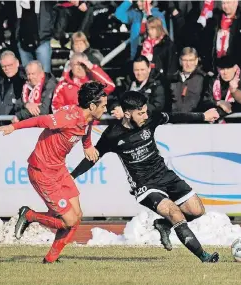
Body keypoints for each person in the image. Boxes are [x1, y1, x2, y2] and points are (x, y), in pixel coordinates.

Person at [71, 91, 221, 263]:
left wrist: (203, 116)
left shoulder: (151, 118)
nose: (145, 115)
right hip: (144, 185)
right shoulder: (113, 134)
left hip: (165, 175)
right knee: (174, 212)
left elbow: (175, 116)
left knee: (197, 210)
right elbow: (93, 157)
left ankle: (164, 224)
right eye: (140, 113)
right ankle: (205, 257)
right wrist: (72, 175)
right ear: (127, 114)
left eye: (145, 111)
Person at [0, 82, 108, 263]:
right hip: (42, 171)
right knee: (68, 220)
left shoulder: (88, 118)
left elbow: (86, 129)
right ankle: (29, 215)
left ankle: (50, 260)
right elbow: (41, 120)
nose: (106, 108)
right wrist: (13, 127)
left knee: (76, 217)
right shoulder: (67, 118)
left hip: (59, 169)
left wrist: (87, 146)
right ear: (92, 106)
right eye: (103, 105)